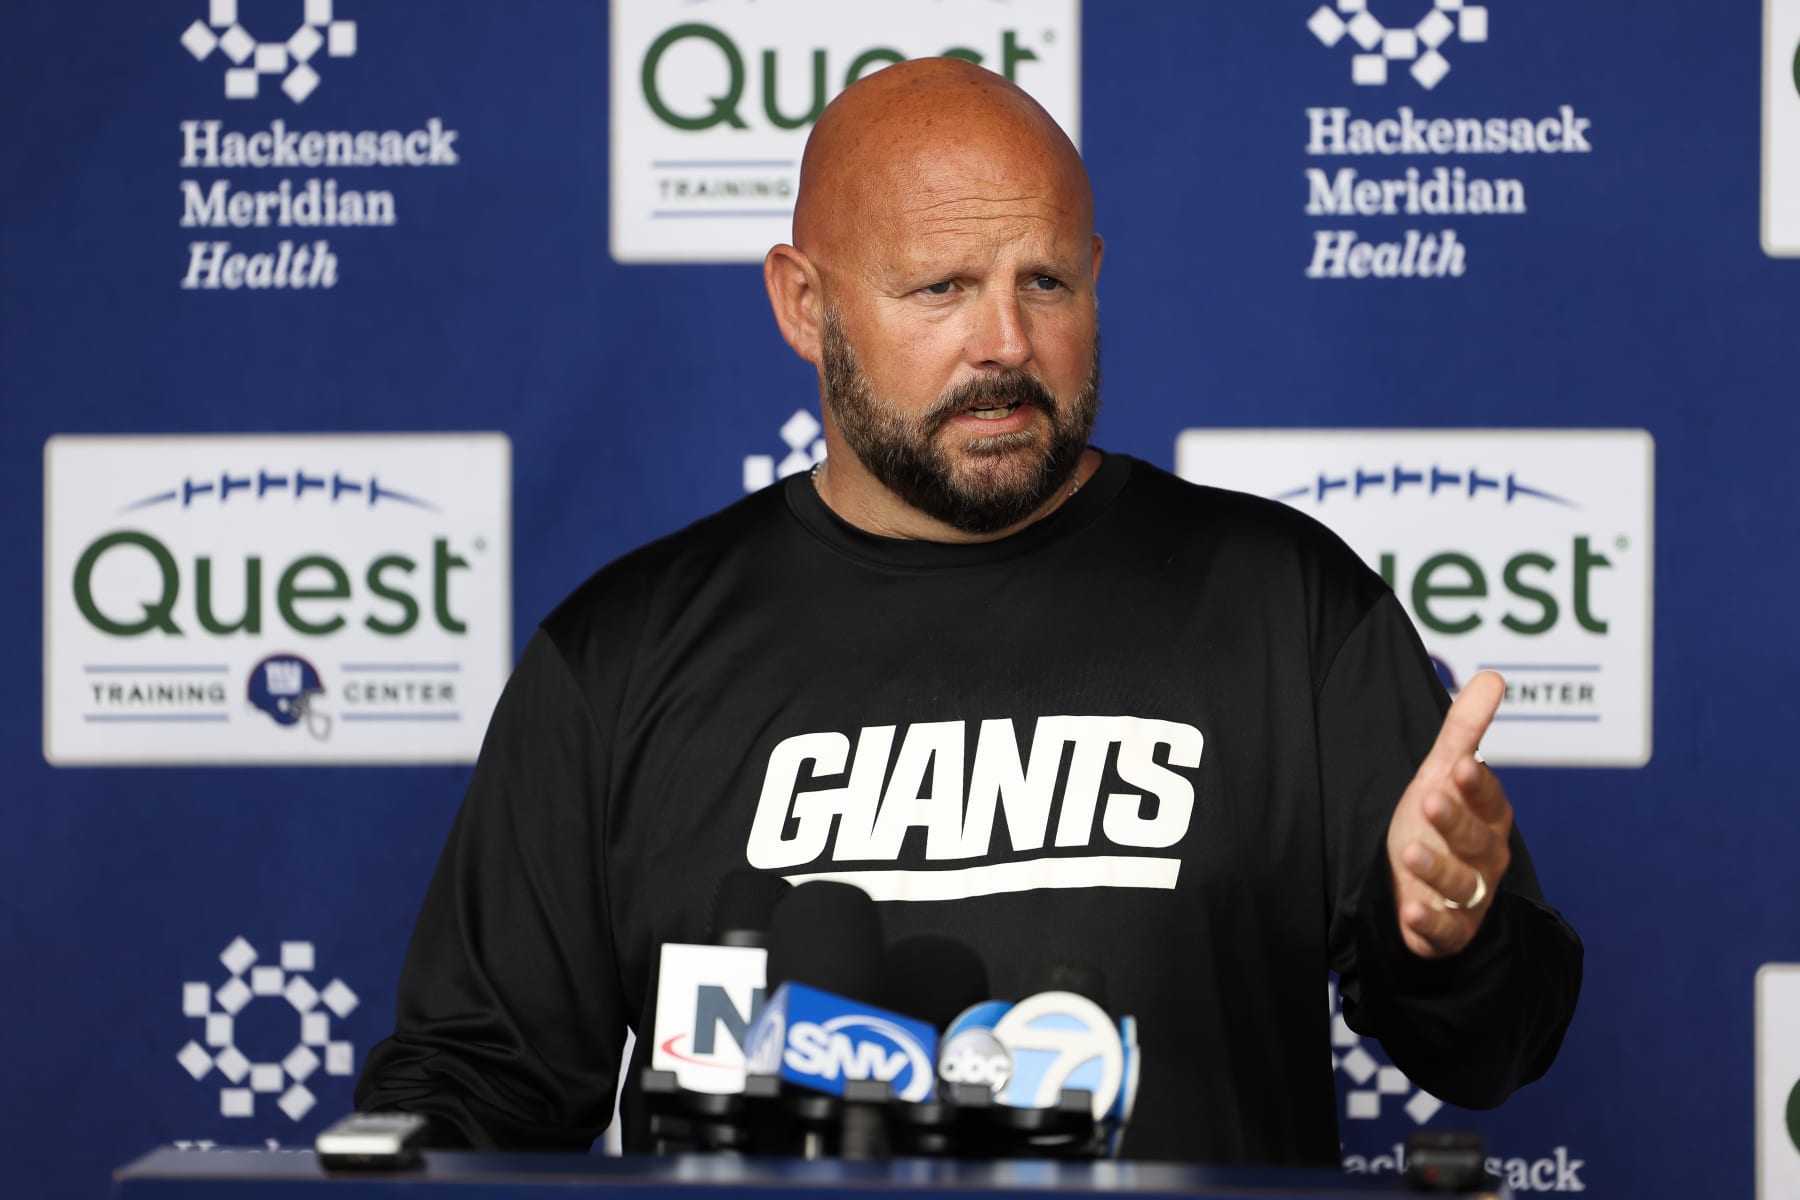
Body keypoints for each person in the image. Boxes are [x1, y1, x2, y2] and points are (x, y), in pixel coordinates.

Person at [356, 57, 1581, 1166]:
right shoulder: (619, 656)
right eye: (940, 287)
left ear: (1096, 276)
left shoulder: (1285, 605)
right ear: (804, 304)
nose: (1005, 342)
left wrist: (1457, 929)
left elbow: (1496, 1049)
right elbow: (478, 1090)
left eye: (1044, 280)